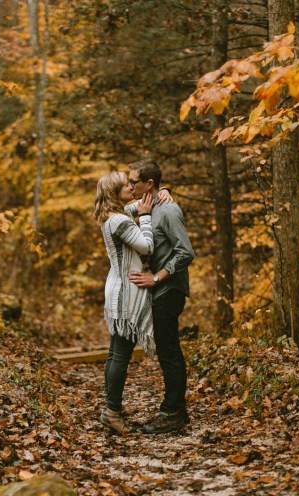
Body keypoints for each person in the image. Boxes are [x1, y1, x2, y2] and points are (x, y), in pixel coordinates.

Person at [93, 171, 172, 435]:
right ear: (114, 193)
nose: (131, 186)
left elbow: (137, 204)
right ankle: (113, 412)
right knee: (121, 354)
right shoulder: (120, 221)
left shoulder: (111, 215)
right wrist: (147, 218)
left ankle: (110, 408)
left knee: (115, 352)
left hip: (116, 286)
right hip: (127, 290)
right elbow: (147, 246)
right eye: (125, 185)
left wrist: (163, 190)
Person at [127, 158, 194, 434]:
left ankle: (173, 413)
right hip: (160, 291)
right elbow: (119, 206)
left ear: (149, 184)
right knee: (166, 351)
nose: (129, 186)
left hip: (170, 290)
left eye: (134, 182)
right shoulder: (148, 204)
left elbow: (185, 252)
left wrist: (156, 278)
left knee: (169, 352)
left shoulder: (168, 211)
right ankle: (173, 410)